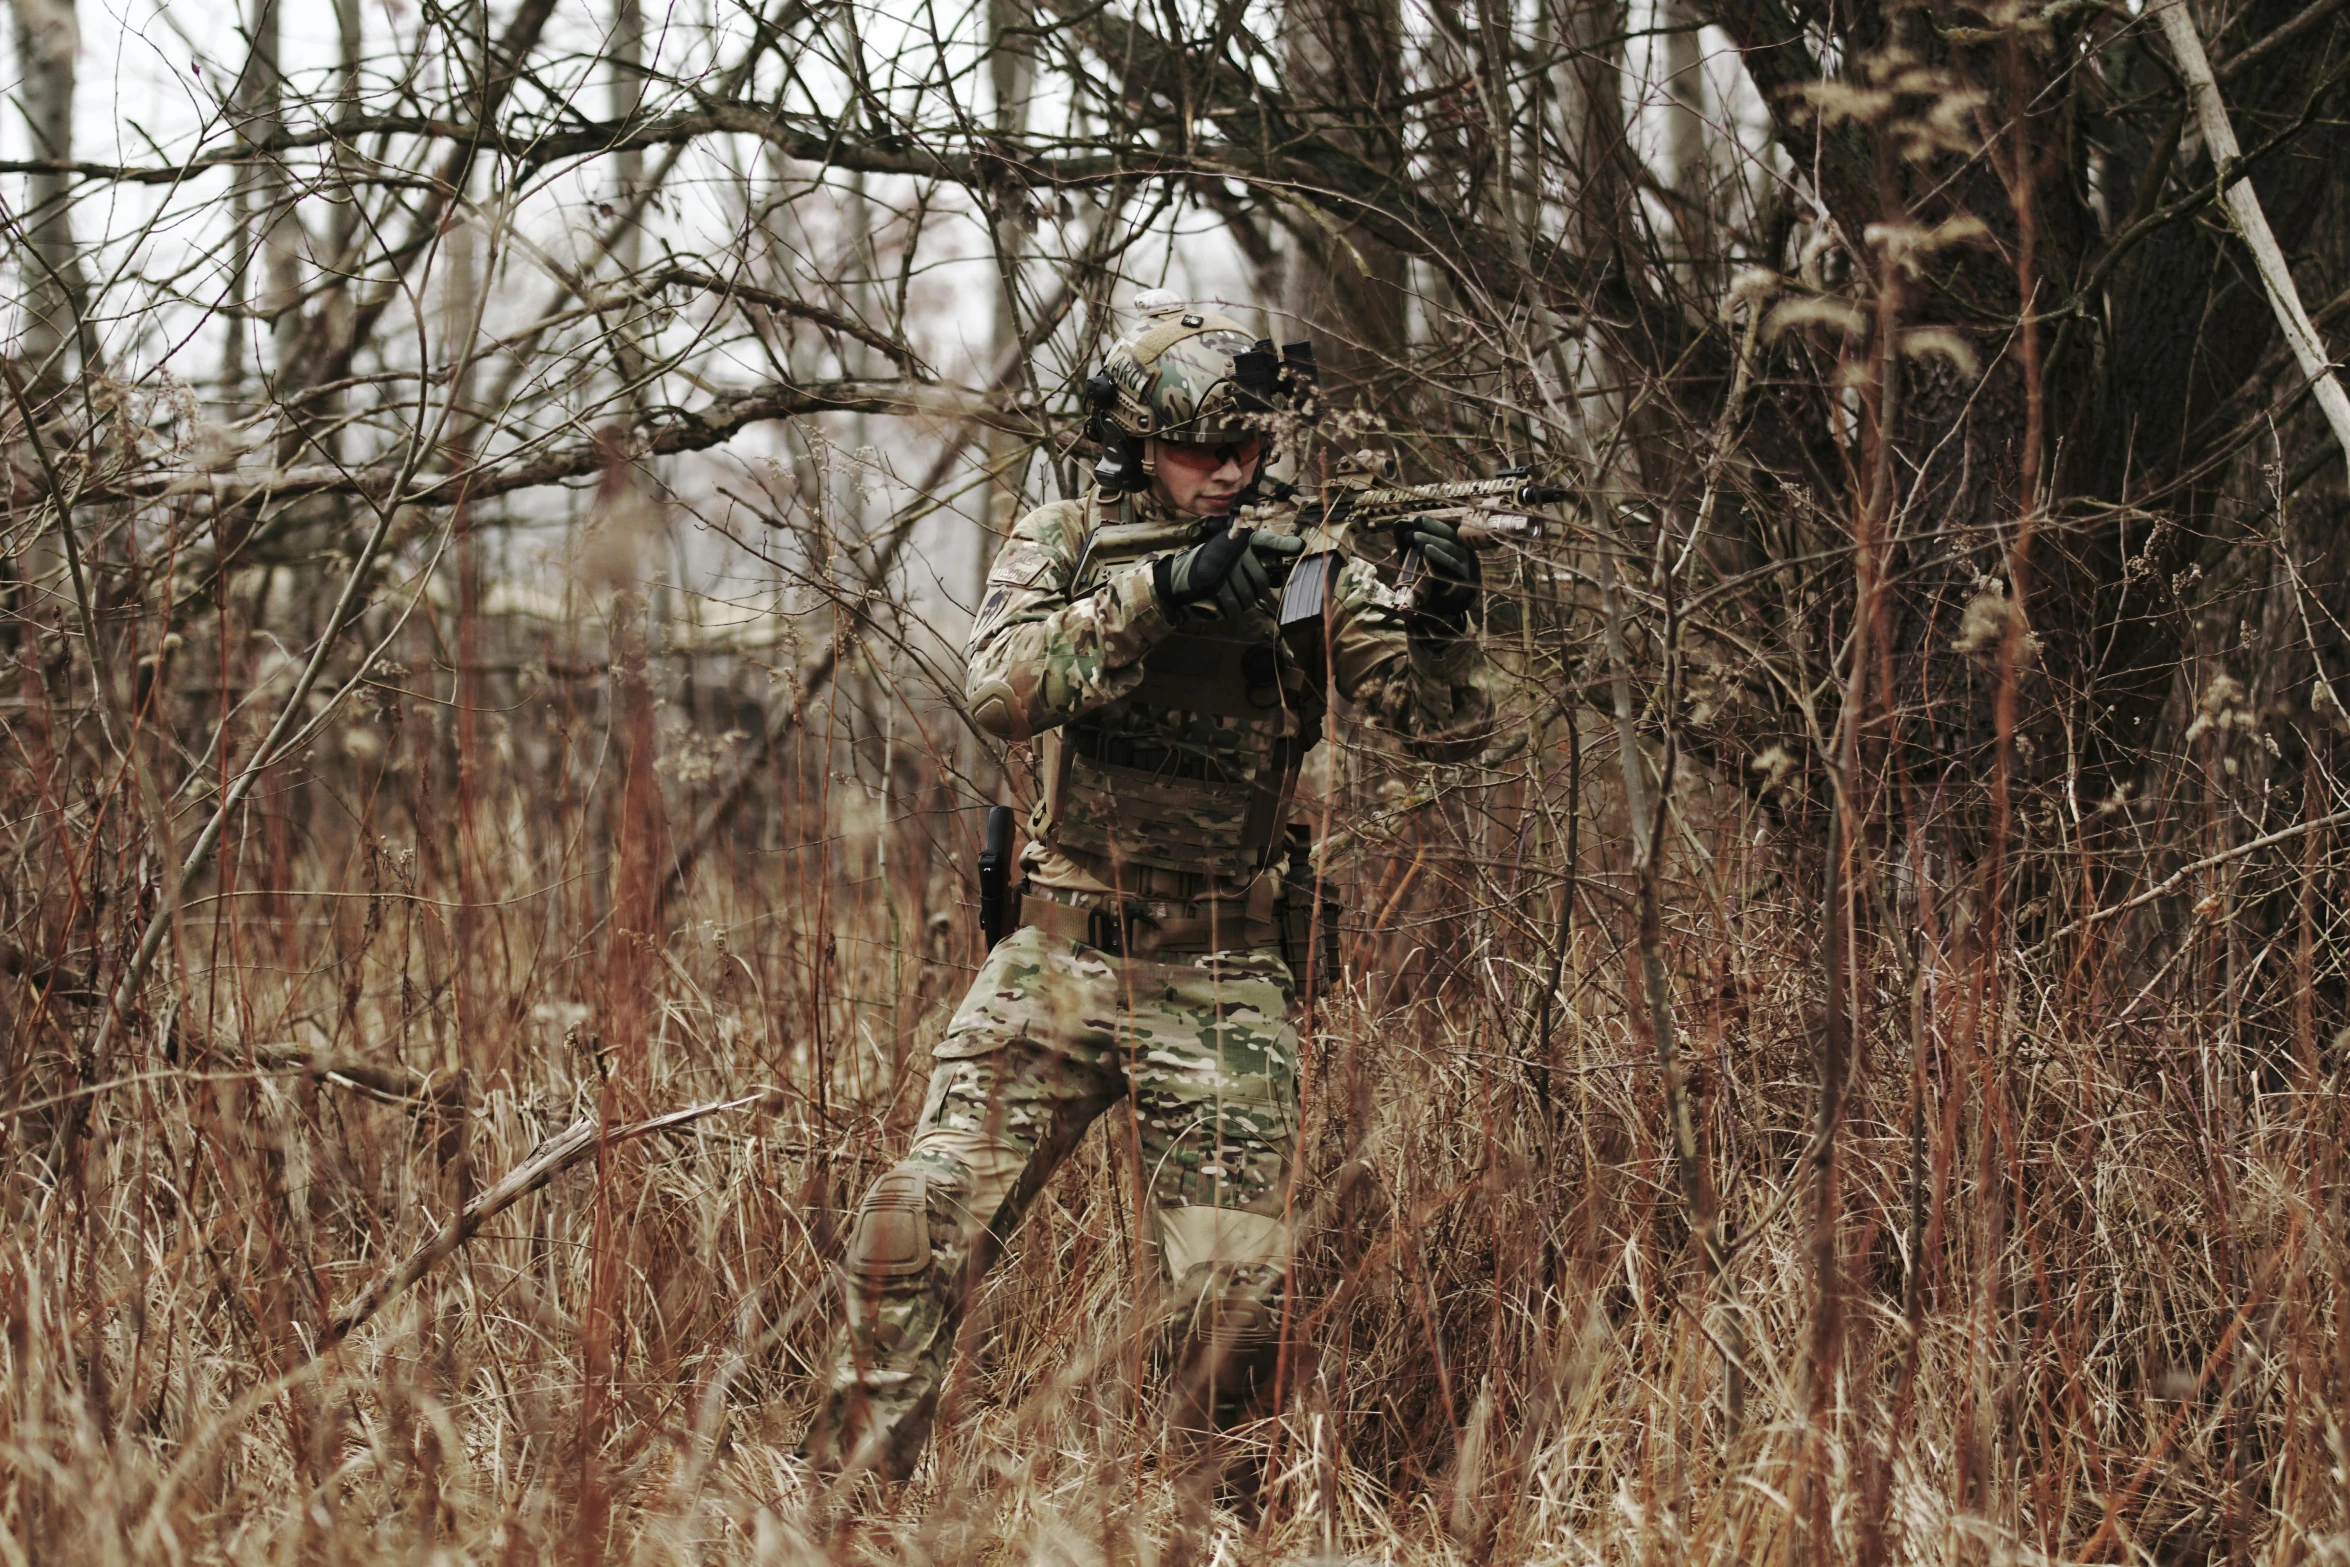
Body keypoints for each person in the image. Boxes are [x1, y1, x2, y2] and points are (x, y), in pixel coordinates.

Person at [800, 296, 1492, 1482]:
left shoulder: (1303, 572)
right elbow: (1001, 686)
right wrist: (1162, 595)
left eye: (1247, 450)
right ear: (1131, 444)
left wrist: (1439, 628)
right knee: (909, 1233)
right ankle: (836, 1511)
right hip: (1057, 959)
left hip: (1222, 969)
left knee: (1236, 1301)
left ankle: (1208, 1529)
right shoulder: (1067, 539)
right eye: (1198, 450)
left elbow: (1446, 731)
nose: (1228, 473)